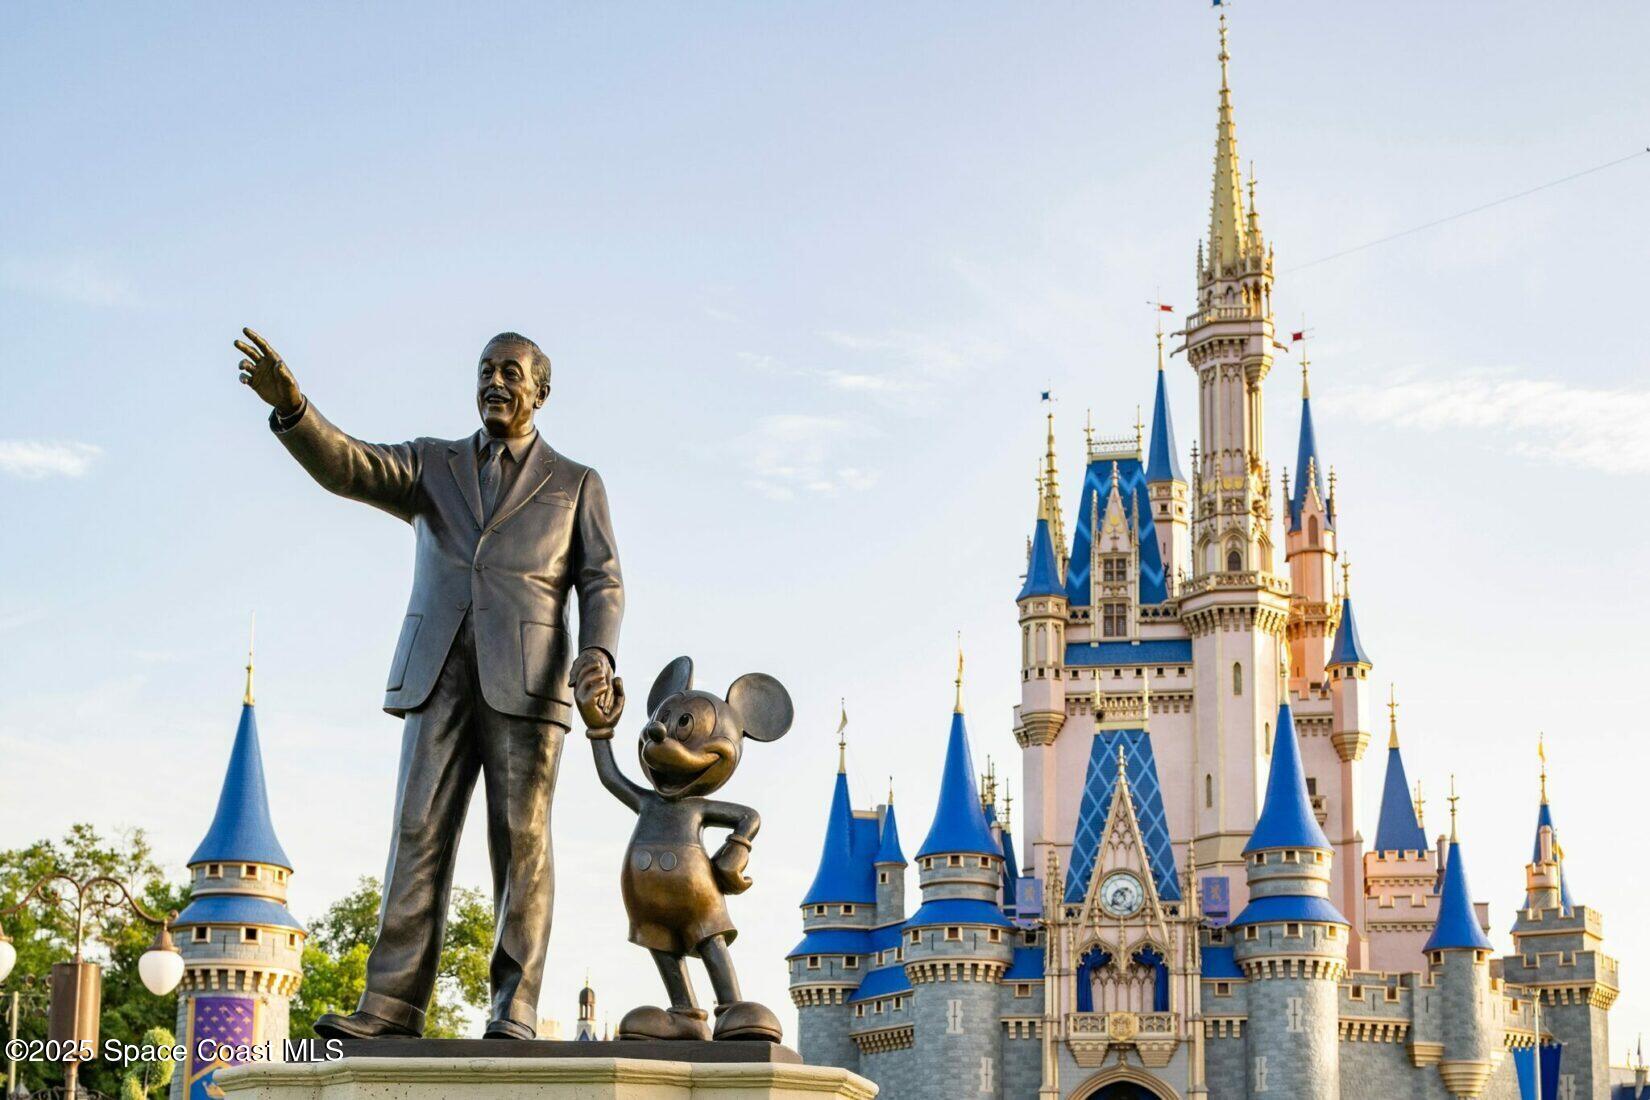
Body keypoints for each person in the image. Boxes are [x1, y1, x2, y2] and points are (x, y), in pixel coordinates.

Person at [235, 327, 623, 1040]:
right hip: (437, 671)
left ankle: (515, 1006)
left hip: (531, 683)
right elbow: (351, 466)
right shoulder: (431, 464)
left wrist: (597, 653)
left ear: (540, 389)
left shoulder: (575, 483)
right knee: (417, 832)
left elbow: (601, 580)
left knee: (522, 842)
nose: (496, 383)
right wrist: (295, 410)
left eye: (511, 372)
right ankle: (391, 1005)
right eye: (485, 371)